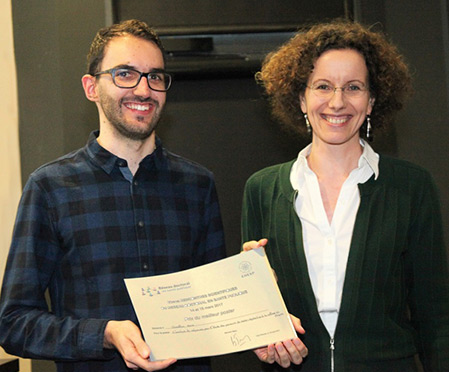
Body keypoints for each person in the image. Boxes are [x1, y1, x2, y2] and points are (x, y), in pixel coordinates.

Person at [0, 19, 226, 372]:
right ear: (91, 87)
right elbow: (13, 324)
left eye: (155, 76)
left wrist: (252, 286)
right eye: (125, 74)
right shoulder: (50, 188)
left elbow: (216, 312)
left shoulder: (197, 185)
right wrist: (102, 334)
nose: (143, 89)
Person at [242, 19, 449, 371]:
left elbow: (437, 319)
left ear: (371, 102)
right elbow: (257, 315)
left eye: (353, 87)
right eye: (322, 86)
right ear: (301, 99)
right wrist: (261, 317)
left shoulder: (412, 187)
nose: (337, 102)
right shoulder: (262, 189)